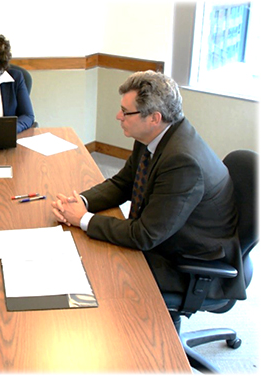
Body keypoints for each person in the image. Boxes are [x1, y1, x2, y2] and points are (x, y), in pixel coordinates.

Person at [50, 70, 246, 301]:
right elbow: (123, 183)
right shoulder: (154, 136)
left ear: (154, 117)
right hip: (165, 232)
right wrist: (82, 202)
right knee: (87, 251)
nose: (117, 116)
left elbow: (144, 235)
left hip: (189, 258)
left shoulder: (183, 162)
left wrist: (83, 219)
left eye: (125, 112)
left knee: (99, 274)